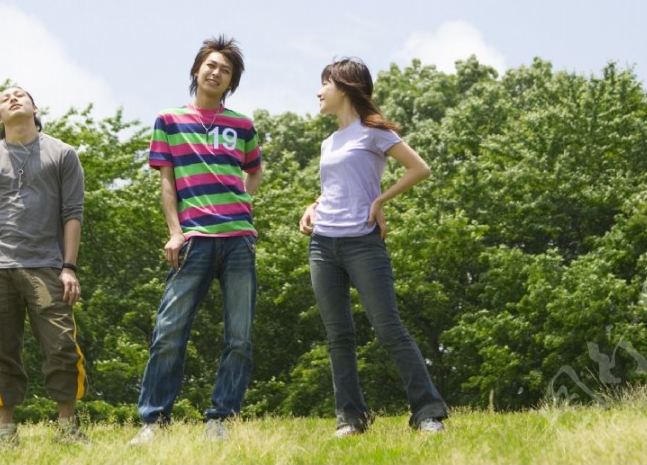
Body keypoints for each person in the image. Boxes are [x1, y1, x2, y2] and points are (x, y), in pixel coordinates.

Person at [298, 57, 449, 436]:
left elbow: (420, 168)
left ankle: (428, 412)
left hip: (363, 242)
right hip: (322, 244)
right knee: (338, 335)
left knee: (388, 328)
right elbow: (338, 184)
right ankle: (351, 418)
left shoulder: (374, 132)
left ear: (346, 87)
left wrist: (379, 201)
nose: (319, 92)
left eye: (325, 84)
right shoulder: (329, 142)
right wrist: (312, 205)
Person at [129, 35, 263, 444]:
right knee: (169, 329)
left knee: (239, 336)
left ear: (230, 82)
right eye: (211, 65)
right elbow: (166, 182)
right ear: (196, 70)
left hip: (238, 238)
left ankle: (220, 417)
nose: (216, 72)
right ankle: (154, 421)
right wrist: (175, 232)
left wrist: (241, 198)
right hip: (194, 239)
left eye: (225, 70)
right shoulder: (169, 120)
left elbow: (254, 171)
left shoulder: (243, 125)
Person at [0, 85, 90, 449]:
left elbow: (73, 214)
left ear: (35, 108)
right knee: (0, 350)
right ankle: (6, 434)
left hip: (48, 267)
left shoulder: (62, 154)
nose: (13, 99)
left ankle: (67, 429)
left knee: (62, 344)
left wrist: (69, 267)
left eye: (21, 95)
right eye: (5, 98)